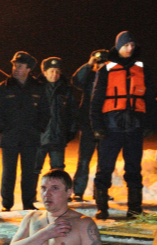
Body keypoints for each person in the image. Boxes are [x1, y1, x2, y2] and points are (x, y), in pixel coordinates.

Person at [91, 31, 156, 220]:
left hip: (134, 127)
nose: (130, 48)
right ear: (118, 46)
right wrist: (97, 126)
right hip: (110, 128)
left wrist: (149, 123)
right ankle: (102, 207)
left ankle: (134, 208)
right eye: (126, 45)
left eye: (132, 46)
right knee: (105, 168)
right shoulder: (106, 70)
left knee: (134, 169)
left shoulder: (143, 70)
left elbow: (150, 100)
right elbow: (96, 101)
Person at [7, 169, 104, 245]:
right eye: (43, 188)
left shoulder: (83, 224)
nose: (47, 194)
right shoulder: (31, 219)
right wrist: (44, 234)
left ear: (69, 192)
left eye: (54, 188)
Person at [0, 51, 50, 212]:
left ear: (29, 69)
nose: (16, 69)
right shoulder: (4, 86)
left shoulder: (38, 87)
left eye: (20, 66)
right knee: (8, 172)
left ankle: (28, 202)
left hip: (30, 137)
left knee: (29, 172)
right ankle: (7, 204)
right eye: (14, 65)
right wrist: (2, 128)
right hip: (10, 136)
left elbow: (45, 111)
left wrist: (39, 128)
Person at [34, 57, 77, 198]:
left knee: (58, 170)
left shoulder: (66, 89)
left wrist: (71, 130)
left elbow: (72, 111)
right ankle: (29, 196)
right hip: (39, 137)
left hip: (58, 137)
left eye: (57, 71)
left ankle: (58, 196)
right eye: (51, 71)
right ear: (44, 72)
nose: (54, 74)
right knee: (34, 168)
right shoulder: (35, 87)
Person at [71, 49, 108, 201]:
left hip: (106, 124)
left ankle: (100, 191)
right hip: (88, 125)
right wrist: (88, 64)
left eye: (103, 63)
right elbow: (75, 80)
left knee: (104, 161)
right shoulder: (89, 76)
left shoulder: (111, 78)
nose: (99, 66)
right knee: (84, 160)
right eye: (97, 63)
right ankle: (78, 191)